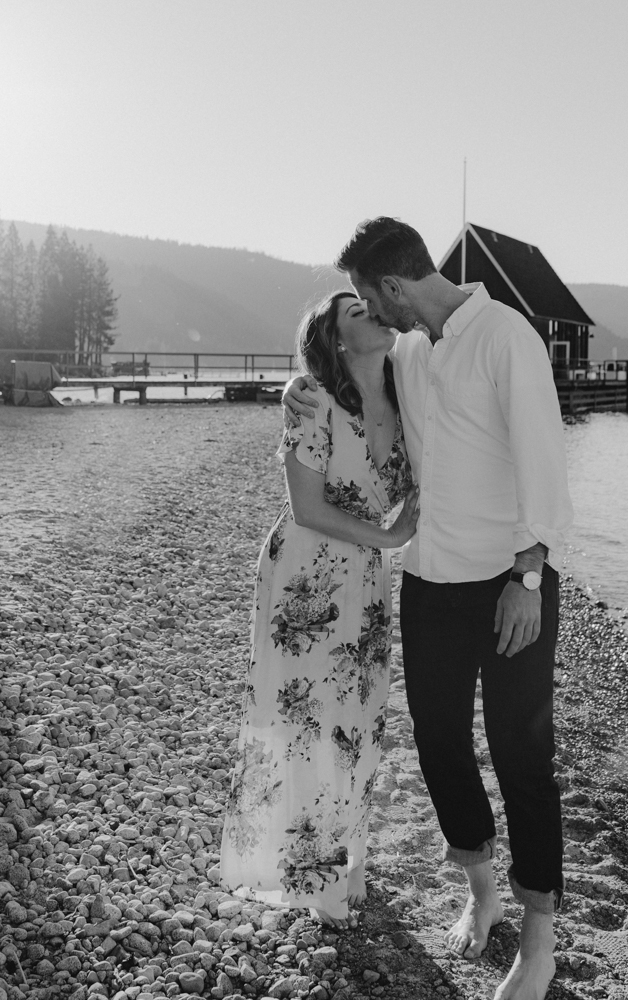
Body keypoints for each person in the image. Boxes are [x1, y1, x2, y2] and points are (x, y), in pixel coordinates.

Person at [283, 217, 573, 1000]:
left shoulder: (506, 336)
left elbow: (543, 457)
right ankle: (482, 895)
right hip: (430, 580)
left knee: (520, 756)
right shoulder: (408, 350)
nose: (377, 315)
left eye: (374, 299)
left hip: (509, 581)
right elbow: (358, 400)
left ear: (394, 286)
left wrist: (530, 576)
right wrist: (300, 387)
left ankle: (539, 938)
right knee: (441, 742)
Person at [219, 290, 418, 927]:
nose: (376, 313)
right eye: (357, 313)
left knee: (357, 718)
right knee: (307, 721)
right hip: (307, 572)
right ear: (335, 340)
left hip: (363, 578)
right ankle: (308, 874)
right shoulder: (312, 400)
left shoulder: (408, 393)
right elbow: (307, 507)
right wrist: (391, 537)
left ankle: (346, 858)